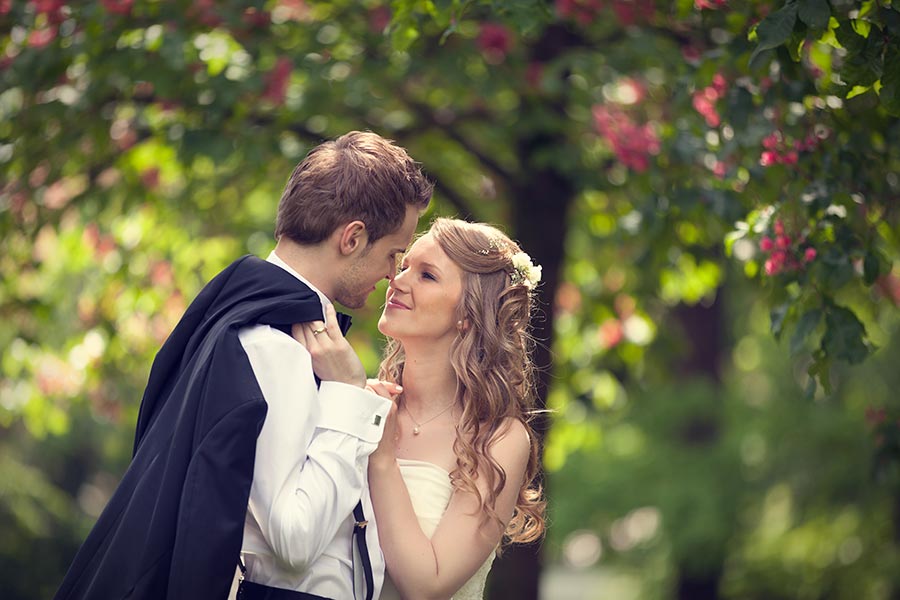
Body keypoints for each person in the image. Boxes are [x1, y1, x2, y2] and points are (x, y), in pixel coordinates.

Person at [54, 131, 433, 600]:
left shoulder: (232, 316)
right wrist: (351, 396)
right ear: (353, 238)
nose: (393, 274)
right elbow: (294, 539)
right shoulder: (276, 344)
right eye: (394, 254)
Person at [296, 218, 546, 599]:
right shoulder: (360, 399)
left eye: (427, 275)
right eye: (404, 265)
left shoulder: (498, 438)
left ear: (469, 312)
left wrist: (381, 456)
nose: (397, 281)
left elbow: (426, 585)